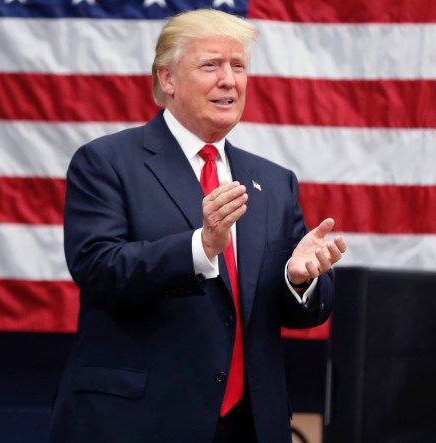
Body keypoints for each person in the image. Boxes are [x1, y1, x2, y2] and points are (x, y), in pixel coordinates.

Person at [47, 8, 347, 443]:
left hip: (248, 426)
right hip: (137, 423)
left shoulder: (274, 182)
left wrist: (297, 280)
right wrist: (201, 246)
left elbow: (295, 313)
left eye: (238, 66)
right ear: (167, 79)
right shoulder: (107, 162)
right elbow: (100, 272)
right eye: (211, 65)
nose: (229, 80)